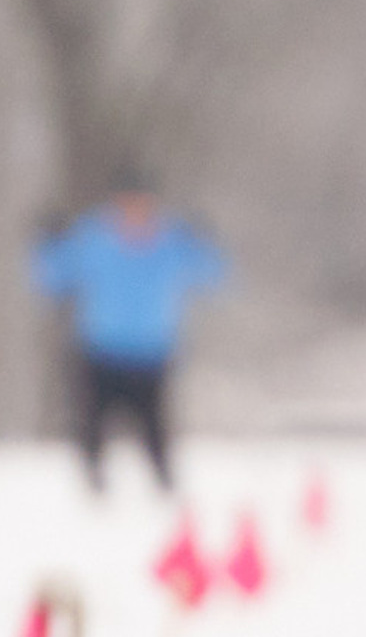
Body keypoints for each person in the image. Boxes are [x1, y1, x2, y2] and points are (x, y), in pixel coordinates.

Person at [30, 180, 228, 494]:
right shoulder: (93, 238)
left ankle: (164, 488)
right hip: (101, 351)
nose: (134, 212)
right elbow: (52, 279)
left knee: (156, 430)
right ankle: (94, 488)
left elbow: (214, 278)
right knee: (92, 424)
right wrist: (48, 244)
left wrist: (205, 241)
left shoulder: (172, 240)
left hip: (152, 353)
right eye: (127, 203)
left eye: (142, 203)